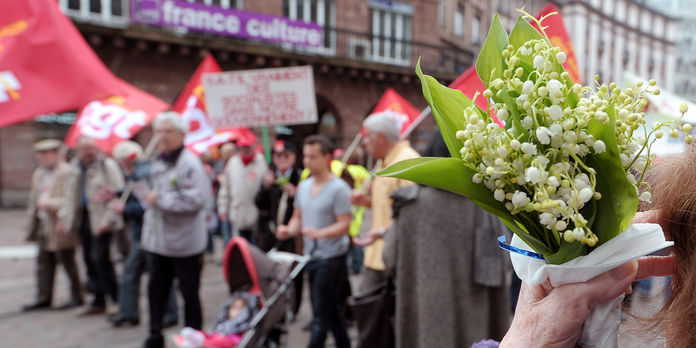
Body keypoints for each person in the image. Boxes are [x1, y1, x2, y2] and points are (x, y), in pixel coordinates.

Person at [382, 132, 510, 347]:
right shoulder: (486, 207)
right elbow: (506, 261)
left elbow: (389, 258)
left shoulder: (411, 206)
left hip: (424, 313)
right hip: (477, 312)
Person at [141, 112, 212, 348]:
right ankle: (154, 335)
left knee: (189, 294)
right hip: (158, 242)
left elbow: (195, 201)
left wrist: (159, 199)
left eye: (167, 131)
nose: (161, 136)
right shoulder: (158, 160)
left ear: (182, 135)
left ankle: (194, 338)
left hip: (185, 245)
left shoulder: (190, 163)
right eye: (159, 131)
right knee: (155, 292)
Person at [276, 135, 352, 348]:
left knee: (320, 313)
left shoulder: (339, 189)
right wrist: (288, 231)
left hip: (332, 257)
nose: (307, 161)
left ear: (327, 157)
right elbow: (297, 217)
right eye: (305, 157)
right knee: (331, 310)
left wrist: (320, 233)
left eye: (313, 157)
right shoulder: (304, 186)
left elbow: (345, 224)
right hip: (311, 256)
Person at [106, 141, 178, 328]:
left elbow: (148, 205)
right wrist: (118, 193)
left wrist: (125, 209)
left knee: (156, 273)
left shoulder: (143, 174)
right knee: (137, 273)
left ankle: (167, 313)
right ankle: (129, 312)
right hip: (142, 233)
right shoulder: (136, 173)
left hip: (150, 231)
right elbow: (136, 197)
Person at [351, 112, 420, 292]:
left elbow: (413, 210)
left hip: (395, 254)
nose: (364, 143)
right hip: (379, 254)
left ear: (380, 137)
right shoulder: (385, 162)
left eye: (367, 137)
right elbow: (388, 205)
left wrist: (382, 231)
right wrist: (365, 201)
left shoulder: (406, 161)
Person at [65, 136, 124, 315]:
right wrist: (66, 219)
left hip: (102, 219)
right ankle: (98, 300)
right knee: (89, 260)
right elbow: (70, 197)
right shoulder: (75, 168)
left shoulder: (107, 165)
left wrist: (107, 221)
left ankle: (116, 299)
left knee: (101, 259)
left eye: (92, 148)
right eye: (85, 149)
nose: (89, 152)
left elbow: (119, 194)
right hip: (84, 218)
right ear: (78, 150)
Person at [22, 139, 84, 311]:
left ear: (56, 153)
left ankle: (77, 295)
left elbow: (71, 201)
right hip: (43, 222)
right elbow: (34, 199)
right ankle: (44, 297)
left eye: (45, 154)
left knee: (66, 260)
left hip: (60, 223)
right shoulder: (39, 173)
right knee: (43, 261)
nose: (41, 158)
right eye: (39, 154)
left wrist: (49, 203)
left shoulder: (67, 172)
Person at [218, 135, 268, 245]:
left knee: (255, 248)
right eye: (243, 147)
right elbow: (225, 189)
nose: (245, 149)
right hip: (237, 213)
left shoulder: (262, 162)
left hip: (255, 215)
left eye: (248, 146)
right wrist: (223, 208)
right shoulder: (232, 163)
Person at [173, 291, 260, 348]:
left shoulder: (244, 325)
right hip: (217, 337)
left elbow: (241, 339)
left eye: (239, 309)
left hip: (230, 341)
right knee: (207, 334)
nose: (235, 312)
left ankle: (199, 342)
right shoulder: (226, 321)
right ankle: (196, 339)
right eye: (233, 308)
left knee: (221, 340)